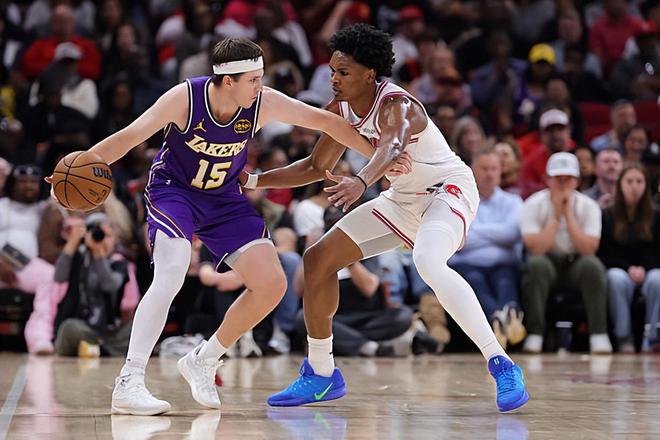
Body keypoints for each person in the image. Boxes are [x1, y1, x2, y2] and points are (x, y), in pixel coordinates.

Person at [48, 37, 396, 416]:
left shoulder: (262, 102)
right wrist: (78, 168)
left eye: (261, 77)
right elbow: (130, 137)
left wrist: (383, 157)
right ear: (228, 81)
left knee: (272, 284)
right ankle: (129, 381)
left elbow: (327, 121)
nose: (261, 85)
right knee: (172, 270)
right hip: (174, 191)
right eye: (253, 79)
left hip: (224, 198)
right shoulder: (185, 98)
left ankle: (204, 358)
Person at [247, 24, 529, 412]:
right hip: (402, 199)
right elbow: (315, 166)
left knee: (428, 261)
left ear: (369, 74)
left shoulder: (399, 105)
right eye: (332, 71)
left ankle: (502, 363)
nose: (333, 79)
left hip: (446, 190)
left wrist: (361, 181)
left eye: (343, 72)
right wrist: (253, 179)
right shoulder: (341, 109)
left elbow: (393, 146)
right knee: (317, 260)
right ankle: (322, 372)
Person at [598, 164, 660, 352]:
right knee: (615, 278)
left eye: (639, 181)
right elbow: (605, 253)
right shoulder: (608, 215)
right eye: (629, 181)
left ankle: (652, 337)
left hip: (650, 270)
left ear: (646, 185)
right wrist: (628, 268)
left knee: (658, 279)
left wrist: (645, 268)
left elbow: (657, 251)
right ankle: (624, 337)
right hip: (621, 269)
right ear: (620, 185)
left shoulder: (657, 215)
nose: (634, 186)